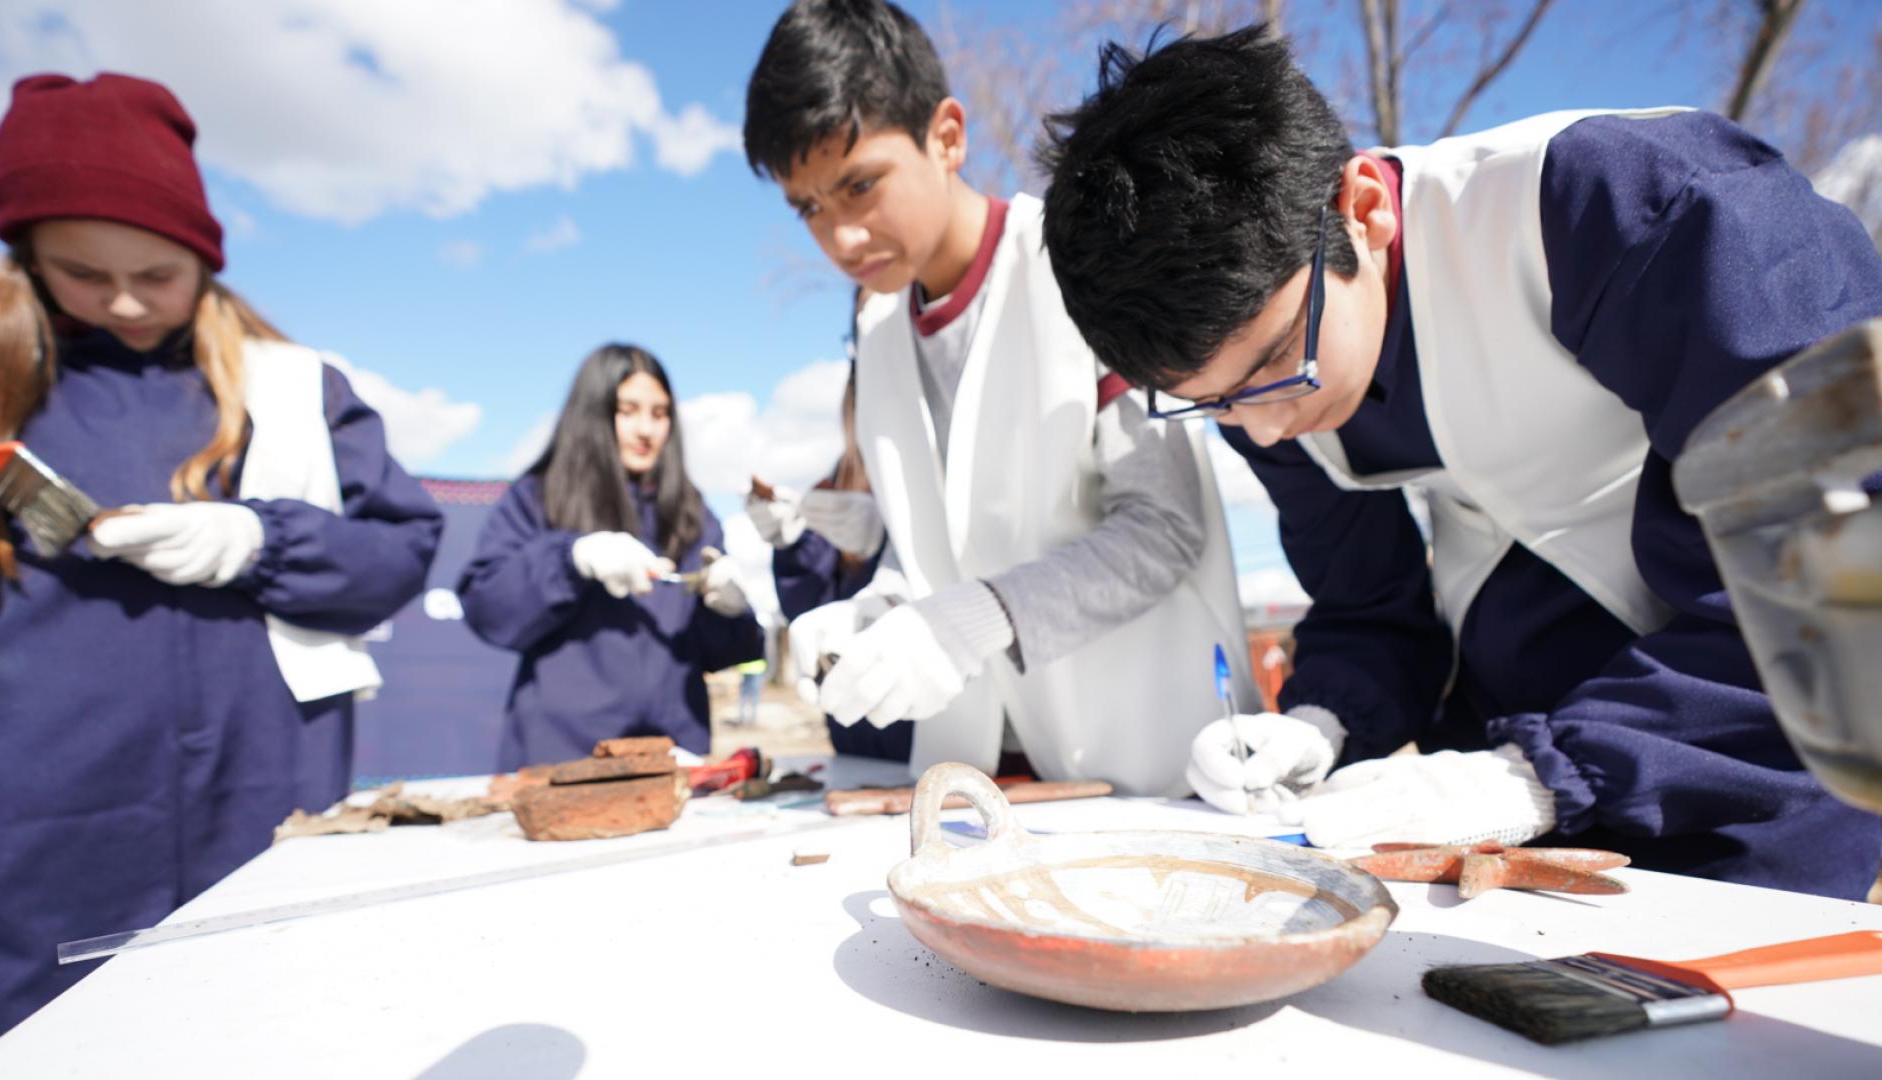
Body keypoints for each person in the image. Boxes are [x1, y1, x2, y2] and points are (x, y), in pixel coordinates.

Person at [1036, 27, 1882, 899]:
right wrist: (1326, 721)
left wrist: (1539, 774)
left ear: (1361, 210)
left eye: (1275, 362)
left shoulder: (1635, 209)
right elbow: (1368, 604)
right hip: (1500, 781)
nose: (1263, 431)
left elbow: (1847, 564)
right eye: (1208, 401)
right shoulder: (1259, 395)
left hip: (1745, 766)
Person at [0, 73, 442, 1053]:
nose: (129, 300)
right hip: (37, 835)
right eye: (85, 275)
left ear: (205, 255)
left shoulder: (294, 384)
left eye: (158, 271)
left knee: (270, 1033)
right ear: (24, 260)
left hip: (266, 798)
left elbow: (401, 552)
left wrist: (259, 539)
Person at [743, 0, 1255, 795]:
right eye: (808, 206)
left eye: (859, 186)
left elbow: (1164, 526)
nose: (838, 237)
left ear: (946, 136)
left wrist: (971, 621)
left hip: (1158, 761)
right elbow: (933, 552)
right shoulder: (878, 331)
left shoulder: (1078, 267)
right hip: (981, 774)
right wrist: (875, 614)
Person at [459, 344, 763, 767]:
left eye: (659, 414)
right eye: (628, 411)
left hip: (674, 755)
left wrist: (728, 611)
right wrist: (569, 559)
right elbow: (489, 609)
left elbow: (727, 655)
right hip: (561, 758)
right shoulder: (538, 498)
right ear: (594, 414)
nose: (647, 430)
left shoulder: (690, 514)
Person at [750, 361, 914, 761]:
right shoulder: (837, 479)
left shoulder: (937, 472)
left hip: (927, 728)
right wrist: (791, 545)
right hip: (854, 732)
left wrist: (888, 541)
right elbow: (808, 611)